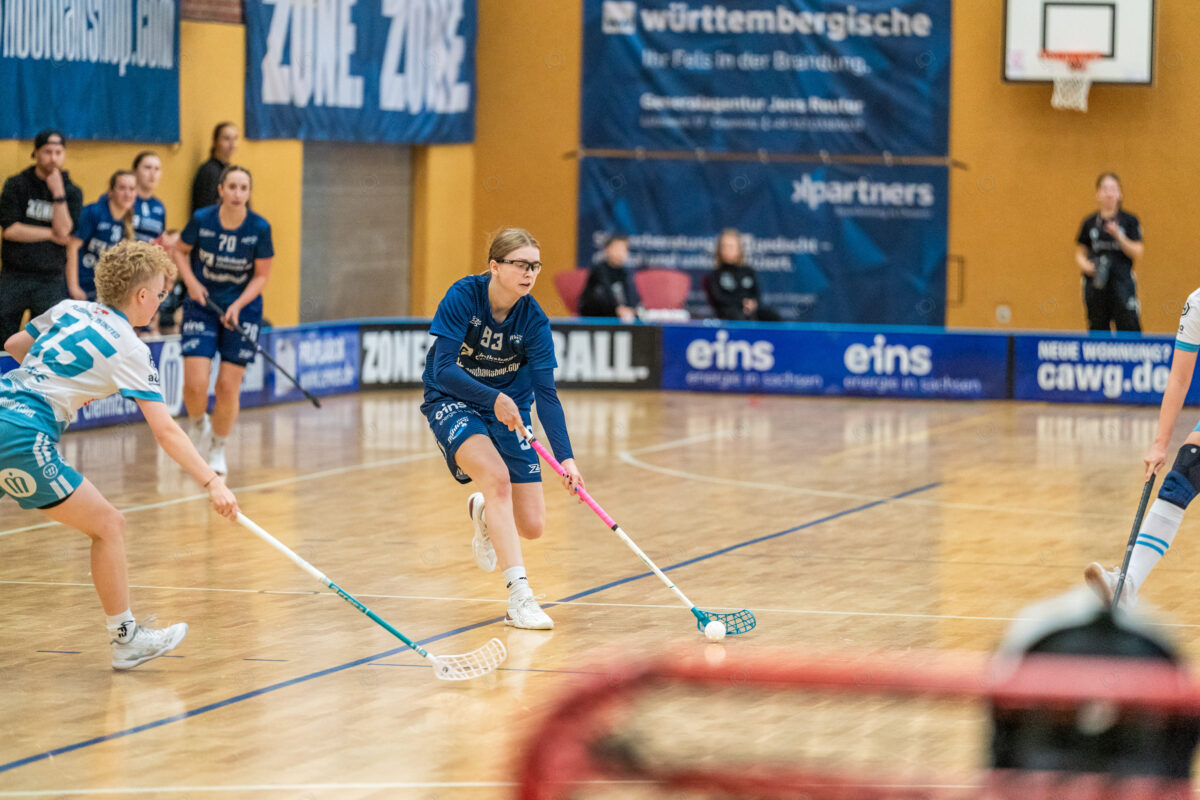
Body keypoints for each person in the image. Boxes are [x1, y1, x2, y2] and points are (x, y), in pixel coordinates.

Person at [1, 240, 239, 669]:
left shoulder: (69, 308)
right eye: (161, 295)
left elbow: (16, 345)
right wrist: (212, 481)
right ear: (142, 296)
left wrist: (67, 382)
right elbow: (165, 431)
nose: (160, 305)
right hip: (21, 436)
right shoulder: (130, 348)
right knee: (109, 525)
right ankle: (126, 639)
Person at [421, 227, 583, 630]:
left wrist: (567, 459)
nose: (530, 273)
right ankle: (520, 598)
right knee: (496, 479)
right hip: (452, 398)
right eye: (521, 264)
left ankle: (482, 513)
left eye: (536, 266)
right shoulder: (463, 296)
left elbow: (546, 394)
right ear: (495, 266)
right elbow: (444, 368)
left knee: (532, 525)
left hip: (509, 410)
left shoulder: (534, 321)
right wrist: (493, 398)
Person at [1085, 287, 1200, 610]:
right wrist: (1159, 444)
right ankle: (1127, 585)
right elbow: (1179, 378)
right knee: (1186, 469)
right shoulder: (1197, 304)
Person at [174, 165, 273, 477]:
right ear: (220, 189)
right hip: (202, 305)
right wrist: (190, 281)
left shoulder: (259, 227)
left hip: (242, 310)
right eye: (232, 186)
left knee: (228, 386)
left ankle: (218, 447)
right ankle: (198, 423)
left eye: (243, 188)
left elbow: (261, 275)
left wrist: (239, 305)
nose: (237, 193)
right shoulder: (203, 219)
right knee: (195, 384)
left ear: (249, 193)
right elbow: (179, 251)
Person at [0, 129, 84, 342]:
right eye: (48, 151)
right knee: (3, 335)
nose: (53, 158)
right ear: (35, 153)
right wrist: (50, 233)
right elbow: (10, 230)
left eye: (58, 152)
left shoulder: (71, 191)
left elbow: (64, 233)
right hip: (14, 275)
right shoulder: (17, 184)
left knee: (46, 342)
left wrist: (58, 193)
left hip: (50, 278)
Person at [1075, 172, 1144, 332]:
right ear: (1098, 194)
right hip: (1096, 284)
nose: (1109, 193)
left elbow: (1137, 251)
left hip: (1122, 283)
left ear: (1120, 194)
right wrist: (1086, 266)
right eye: (1105, 189)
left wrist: (1119, 236)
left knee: (1128, 325)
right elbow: (1080, 252)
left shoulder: (1129, 221)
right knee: (1097, 326)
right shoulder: (1089, 222)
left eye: (1113, 189)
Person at [67, 170, 137, 302]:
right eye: (122, 188)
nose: (128, 194)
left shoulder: (126, 223)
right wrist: (73, 287)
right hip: (78, 284)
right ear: (110, 191)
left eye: (132, 189)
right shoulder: (93, 213)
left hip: (98, 290)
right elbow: (71, 247)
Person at [705, 228, 781, 322]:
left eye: (731, 246)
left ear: (739, 249)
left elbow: (757, 294)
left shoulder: (748, 271)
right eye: (724, 246)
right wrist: (741, 303)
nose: (727, 250)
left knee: (773, 317)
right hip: (729, 312)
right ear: (719, 250)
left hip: (750, 310)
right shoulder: (716, 274)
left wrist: (753, 303)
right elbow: (718, 298)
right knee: (738, 317)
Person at [579, 233, 641, 322]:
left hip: (623, 318)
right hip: (599, 317)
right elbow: (599, 297)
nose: (621, 252)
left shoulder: (625, 272)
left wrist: (631, 309)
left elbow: (633, 296)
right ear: (607, 249)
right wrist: (617, 310)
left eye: (624, 249)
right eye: (617, 248)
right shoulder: (599, 270)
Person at [191, 122, 238, 215]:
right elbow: (205, 210)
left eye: (235, 138)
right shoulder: (209, 172)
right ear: (215, 141)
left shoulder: (230, 171)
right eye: (226, 138)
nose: (232, 144)